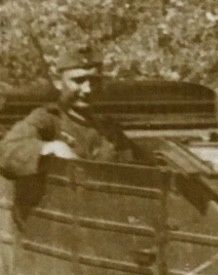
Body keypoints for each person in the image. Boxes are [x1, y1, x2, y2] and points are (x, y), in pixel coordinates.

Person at [0, 46, 132, 179]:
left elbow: (139, 168)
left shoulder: (108, 128)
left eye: (94, 80)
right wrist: (50, 148)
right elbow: (7, 150)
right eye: (78, 81)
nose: (88, 89)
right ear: (58, 82)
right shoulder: (46, 120)